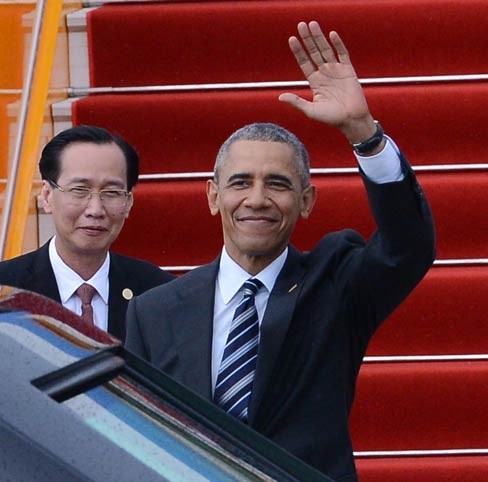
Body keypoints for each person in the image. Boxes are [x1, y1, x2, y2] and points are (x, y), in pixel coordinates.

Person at [124, 21, 435, 482]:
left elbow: (408, 247)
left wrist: (363, 133)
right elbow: (136, 436)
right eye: (240, 182)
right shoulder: (154, 312)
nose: (256, 199)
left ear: (306, 201)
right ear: (213, 197)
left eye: (277, 184)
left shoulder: (336, 286)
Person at [0, 126, 174, 341]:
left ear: (129, 202)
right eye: (79, 190)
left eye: (112, 192)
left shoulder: (159, 292)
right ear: (47, 196)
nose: (95, 209)